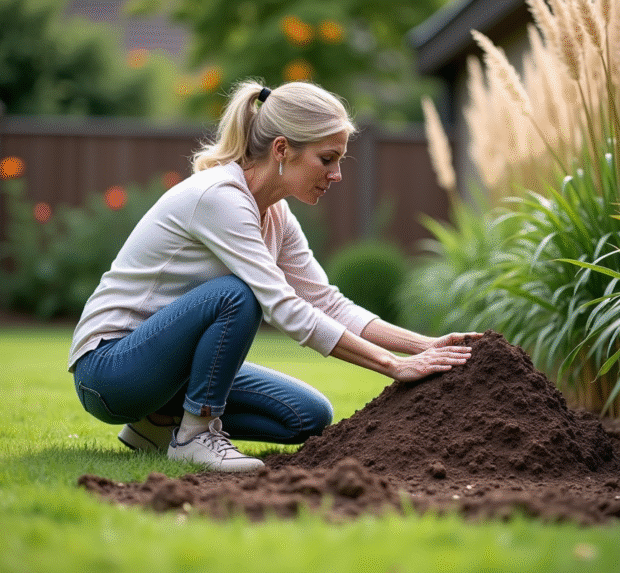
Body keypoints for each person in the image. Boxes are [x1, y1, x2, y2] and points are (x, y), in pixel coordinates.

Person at [68, 79, 479, 473]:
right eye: (327, 158)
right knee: (237, 295)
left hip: (164, 374)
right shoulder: (220, 198)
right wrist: (394, 365)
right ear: (282, 149)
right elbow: (281, 305)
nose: (336, 175)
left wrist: (425, 346)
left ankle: (155, 425)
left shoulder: (276, 213)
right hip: (109, 370)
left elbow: (327, 302)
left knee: (309, 416)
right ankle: (194, 434)